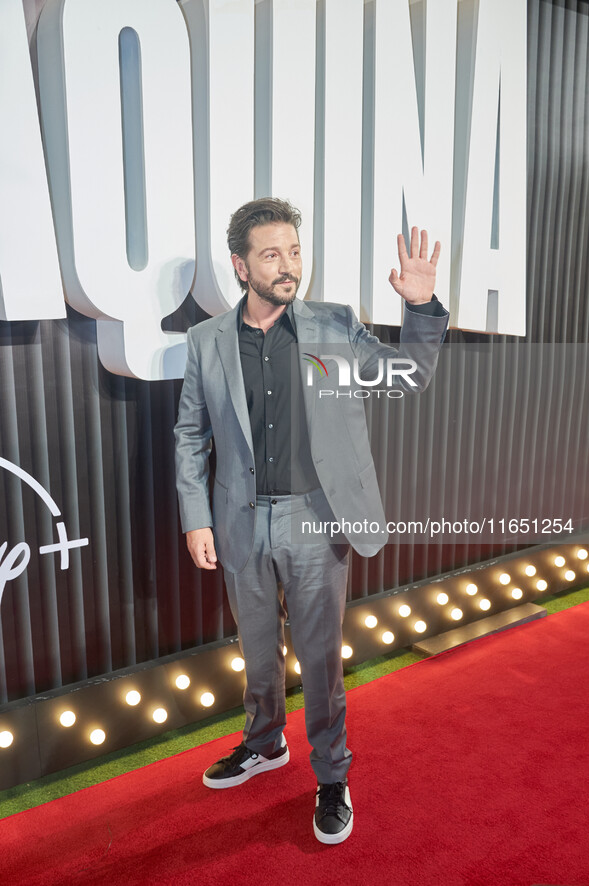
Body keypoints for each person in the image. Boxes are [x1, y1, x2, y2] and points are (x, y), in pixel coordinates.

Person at [174, 198, 449, 845]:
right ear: (240, 265)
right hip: (239, 523)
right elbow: (190, 435)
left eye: (294, 251)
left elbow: (406, 378)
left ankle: (331, 775)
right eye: (271, 254)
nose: (288, 265)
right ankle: (264, 742)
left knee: (319, 659)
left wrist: (420, 310)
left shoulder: (332, 325)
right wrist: (195, 517)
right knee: (256, 651)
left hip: (314, 519)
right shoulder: (205, 341)